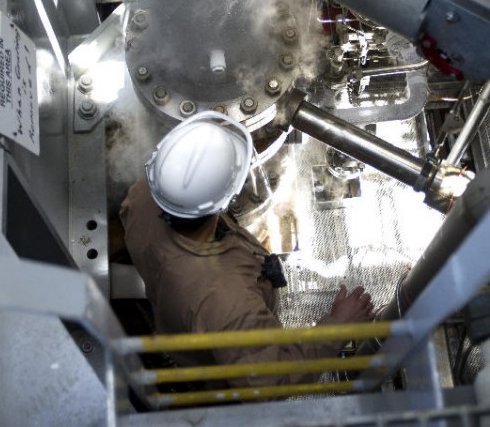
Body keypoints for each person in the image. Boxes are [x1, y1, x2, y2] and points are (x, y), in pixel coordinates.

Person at [120, 111, 374, 389]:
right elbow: (271, 381)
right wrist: (337, 328)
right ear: (227, 199)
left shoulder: (143, 194)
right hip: (213, 368)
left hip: (176, 313)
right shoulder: (230, 303)